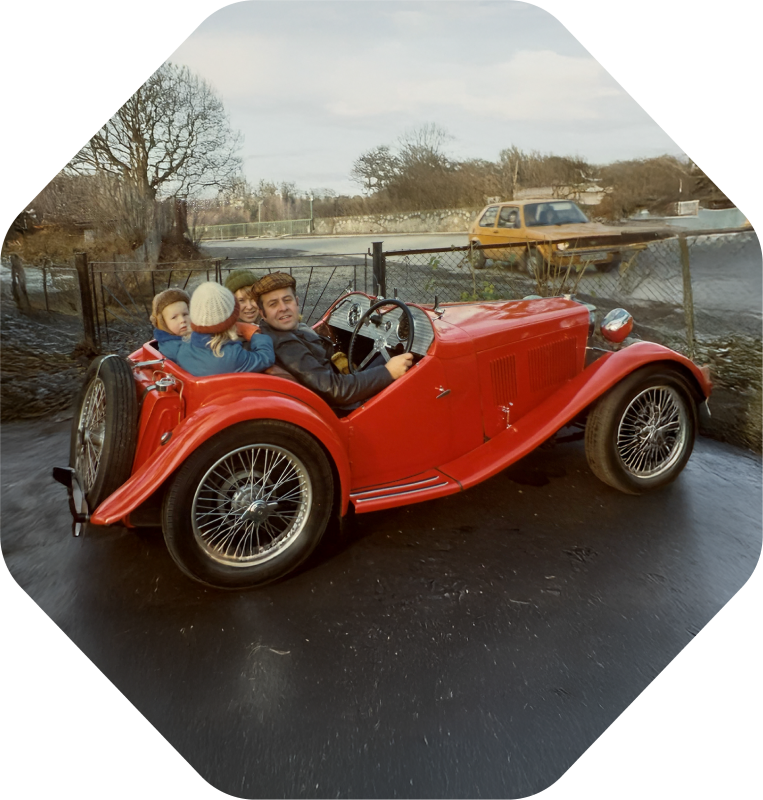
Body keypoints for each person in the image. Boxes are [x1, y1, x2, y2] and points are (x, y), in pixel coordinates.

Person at [252, 272, 413, 413]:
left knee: (387, 356)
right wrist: (387, 372)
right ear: (262, 313)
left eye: (287, 300)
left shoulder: (289, 330)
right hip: (342, 409)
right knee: (410, 368)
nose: (283, 308)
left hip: (338, 392)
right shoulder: (284, 344)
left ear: (296, 301)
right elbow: (335, 390)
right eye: (273, 304)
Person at [174, 282, 275, 377]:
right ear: (230, 321)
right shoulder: (232, 356)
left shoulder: (184, 347)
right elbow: (265, 358)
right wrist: (255, 334)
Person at [150, 289, 191, 360]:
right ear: (163, 323)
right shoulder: (172, 347)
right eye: (174, 317)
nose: (182, 320)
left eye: (185, 314)